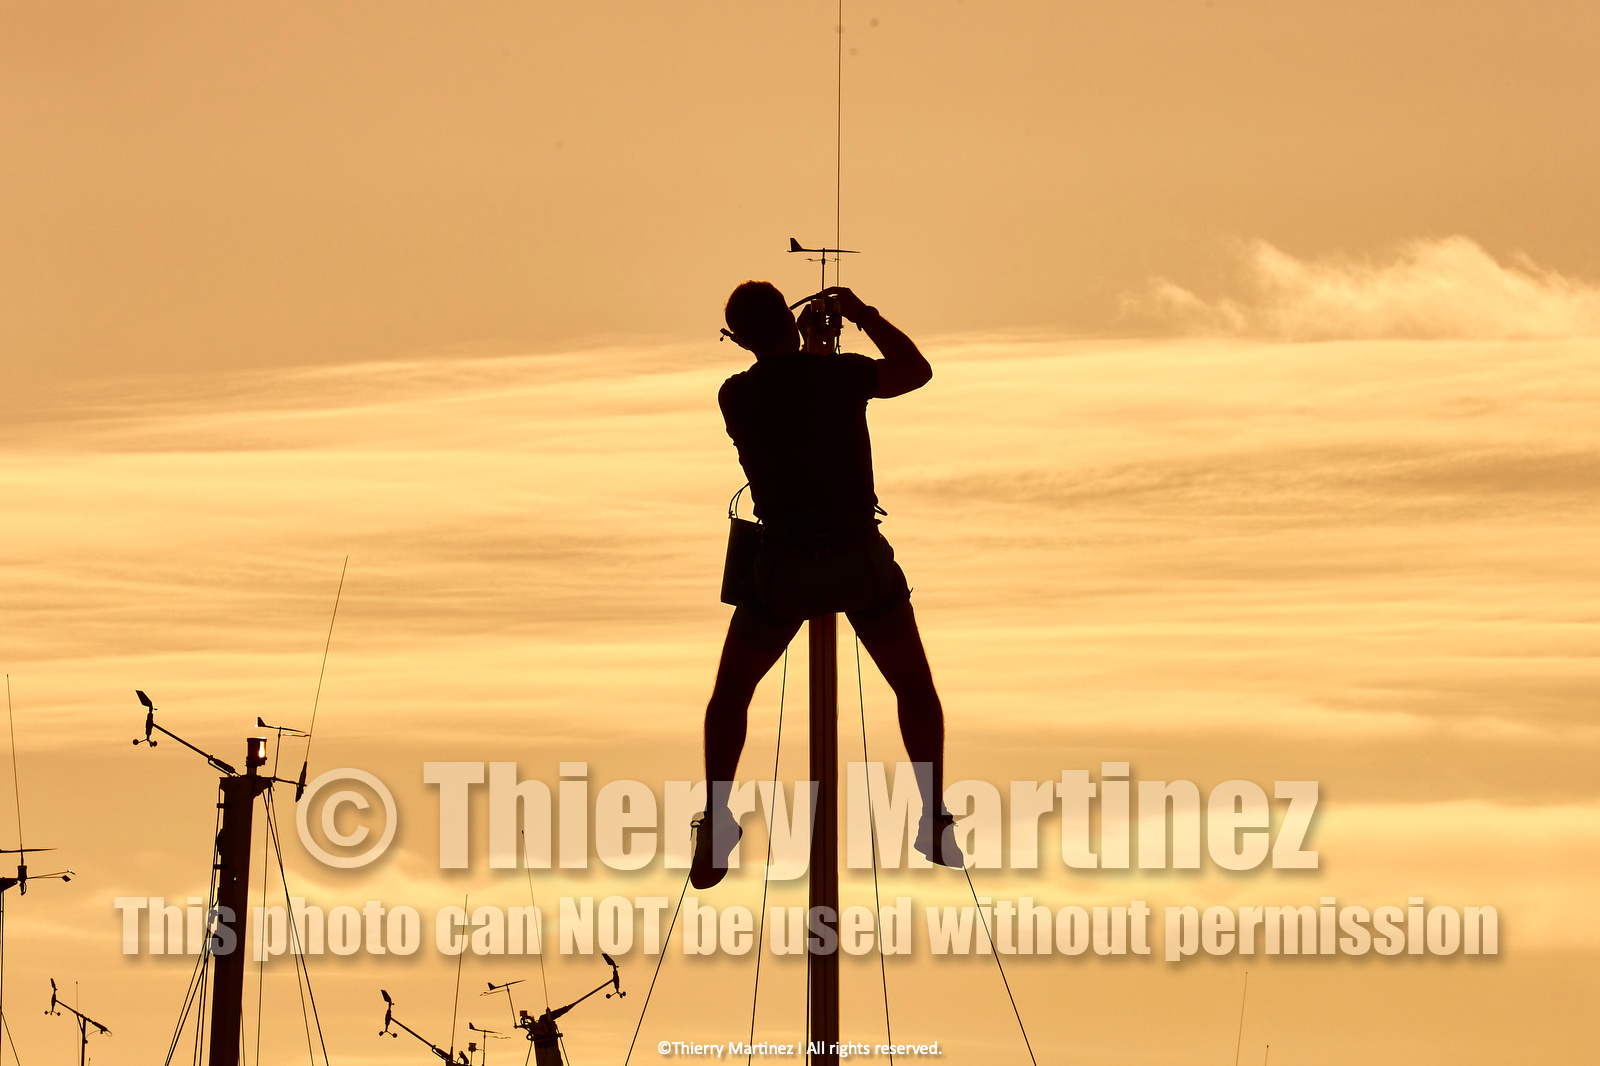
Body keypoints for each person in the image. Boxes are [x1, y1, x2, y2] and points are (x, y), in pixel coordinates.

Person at [692, 279, 962, 890]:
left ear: (740, 339)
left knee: (731, 696)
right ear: (788, 324)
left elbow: (790, 393)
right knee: (914, 688)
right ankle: (933, 815)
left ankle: (717, 820)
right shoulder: (842, 377)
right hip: (856, 556)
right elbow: (915, 371)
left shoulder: (736, 396)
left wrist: (807, 344)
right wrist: (861, 315)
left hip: (784, 566)